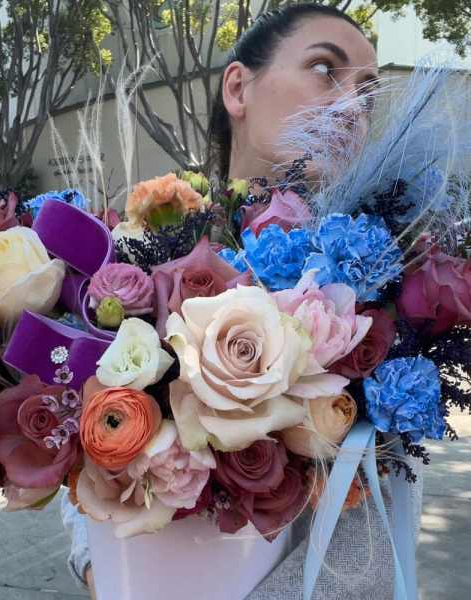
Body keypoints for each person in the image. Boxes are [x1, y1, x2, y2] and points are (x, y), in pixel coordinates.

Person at [62, 4, 423, 598]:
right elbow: (82, 426)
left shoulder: (379, 275)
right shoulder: (138, 252)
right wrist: (97, 564)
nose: (352, 107)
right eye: (325, 69)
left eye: (367, 93)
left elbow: (386, 503)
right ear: (238, 88)